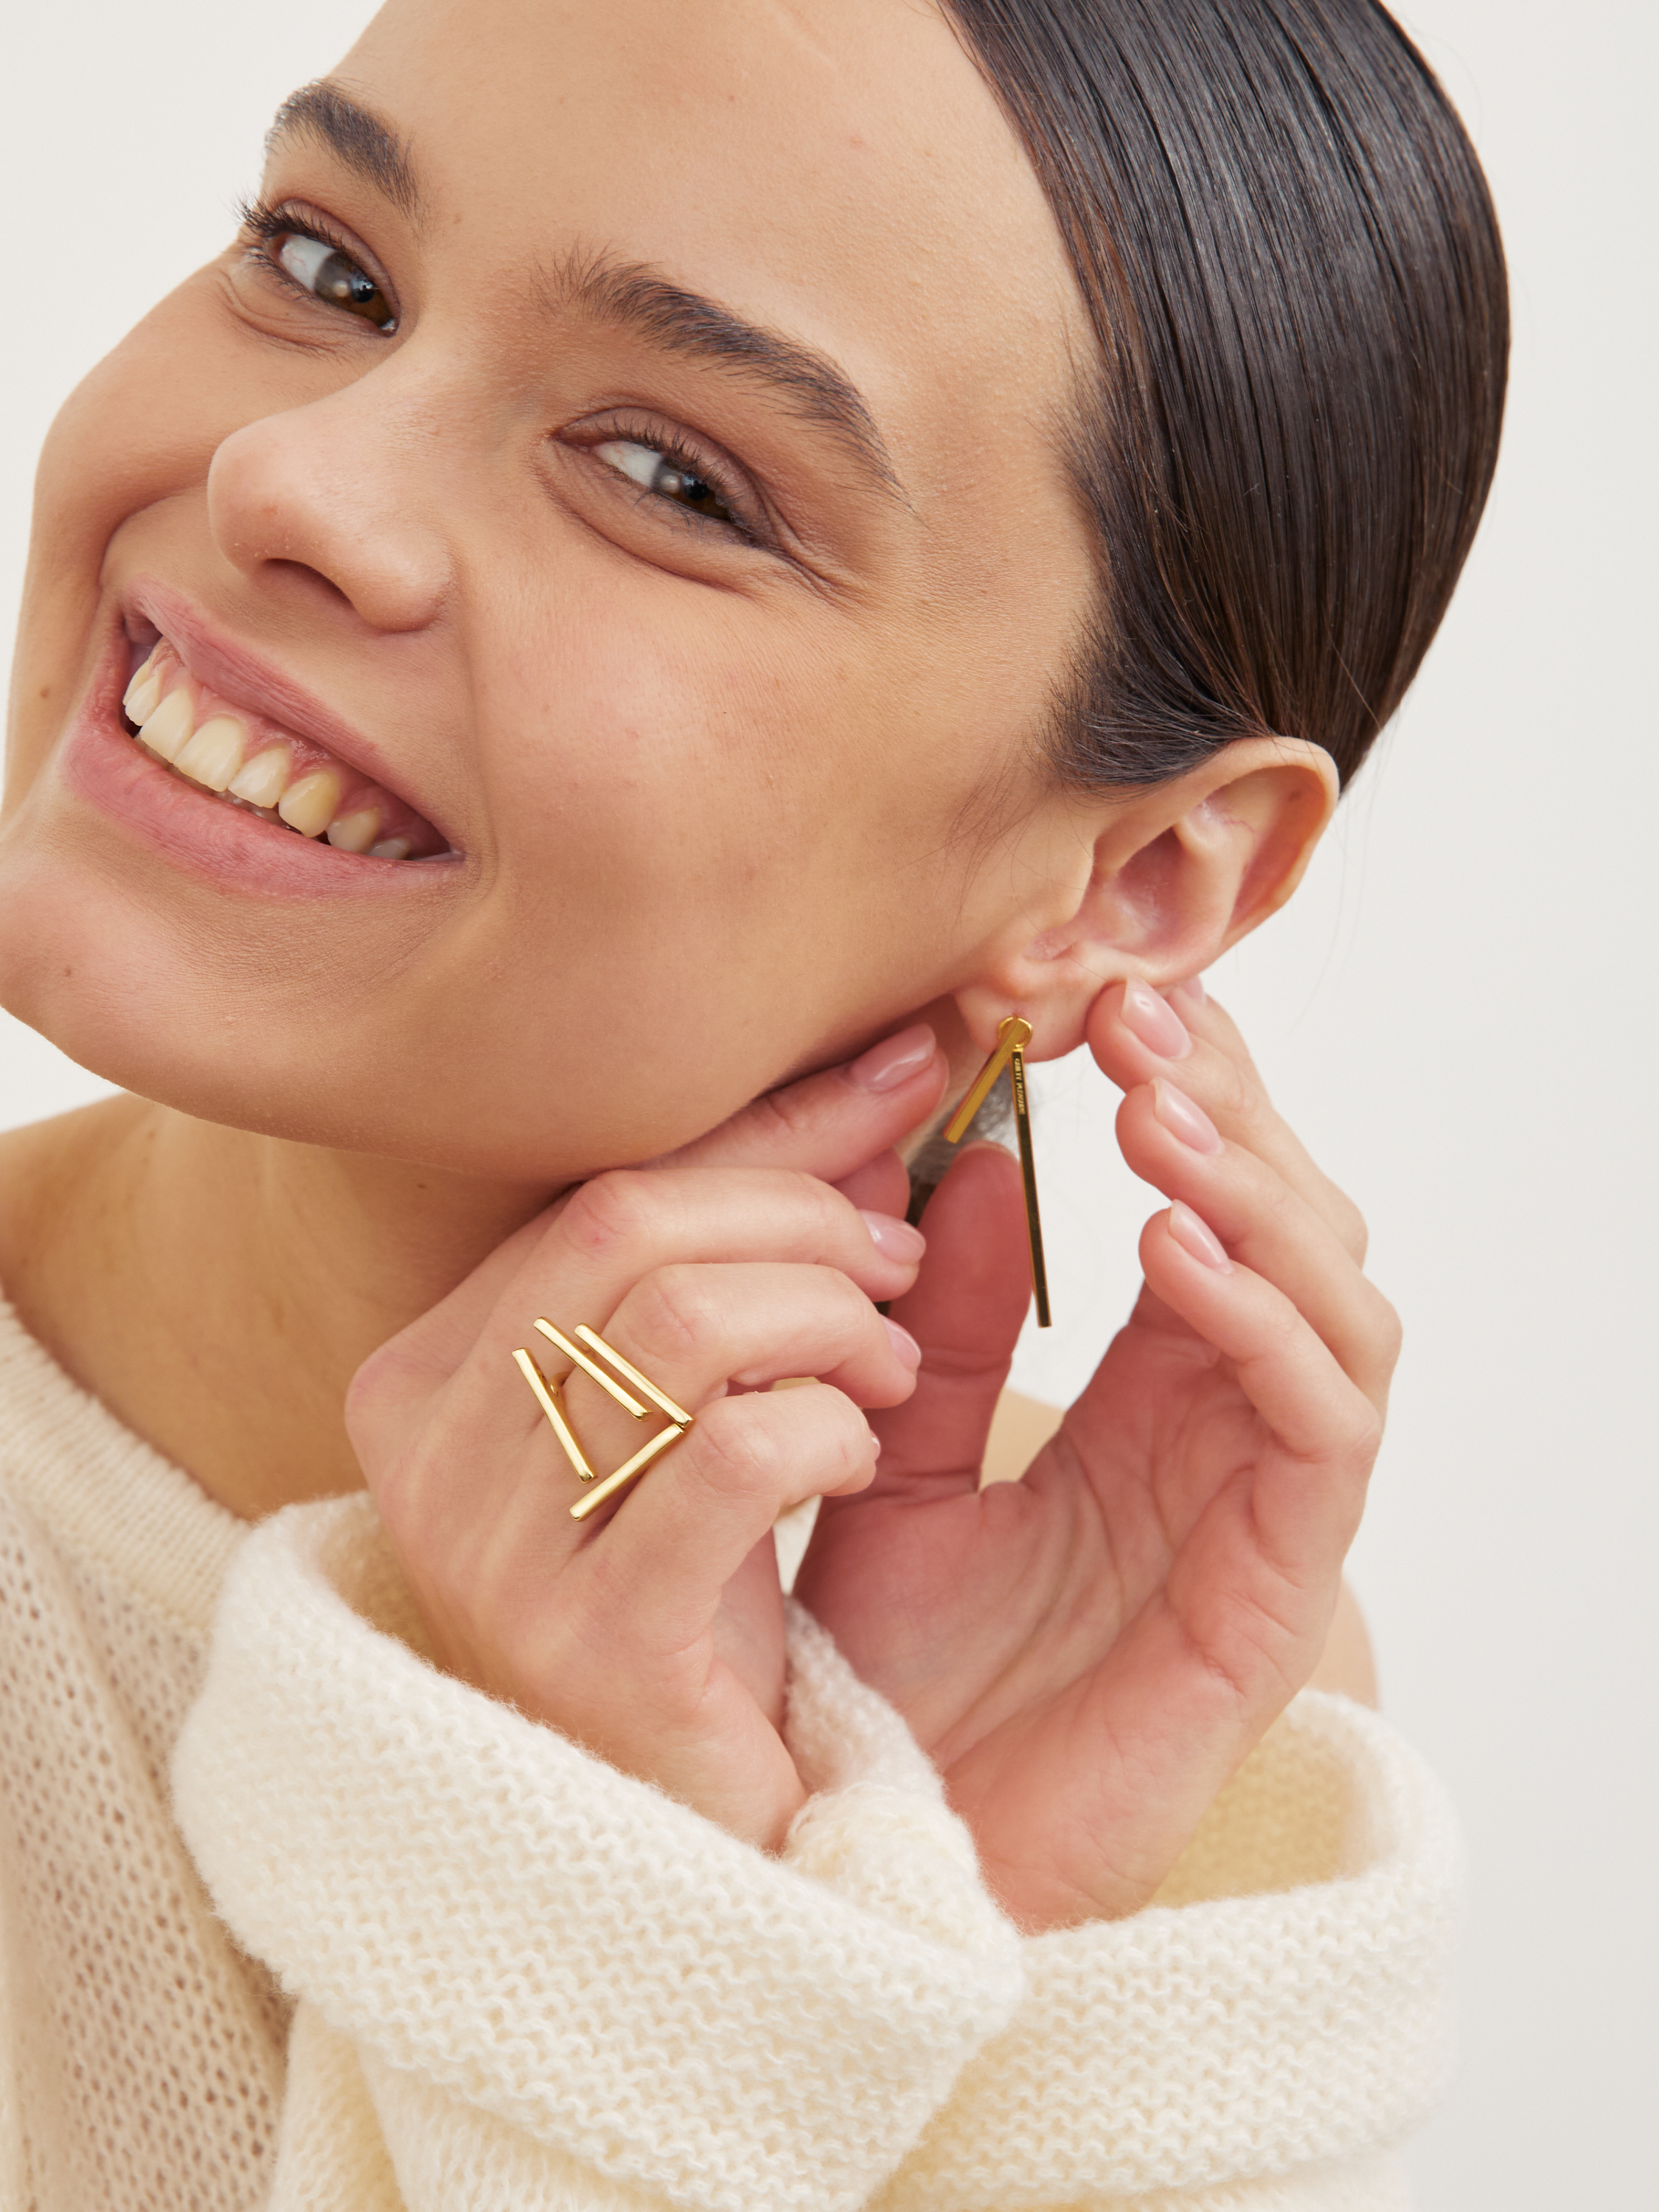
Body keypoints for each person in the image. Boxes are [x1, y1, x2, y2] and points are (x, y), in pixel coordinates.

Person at [0, 0, 1505, 2203]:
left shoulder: (1102, 1681)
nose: (288, 483)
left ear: (1131, 880)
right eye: (327, 269)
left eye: (668, 478)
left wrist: (876, 1895)